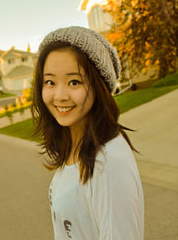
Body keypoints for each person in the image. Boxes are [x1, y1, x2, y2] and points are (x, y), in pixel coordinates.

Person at [31, 26, 144, 239]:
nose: (60, 95)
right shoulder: (75, 146)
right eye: (50, 82)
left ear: (99, 85)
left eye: (74, 82)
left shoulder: (108, 162)